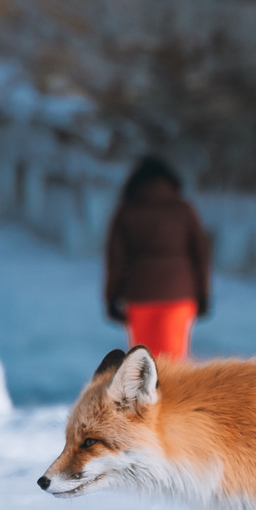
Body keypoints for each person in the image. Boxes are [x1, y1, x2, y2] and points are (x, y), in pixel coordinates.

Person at [103, 155, 211, 361]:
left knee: (143, 363)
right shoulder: (184, 210)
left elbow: (115, 260)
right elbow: (201, 255)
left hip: (140, 294)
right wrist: (203, 295)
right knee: (174, 362)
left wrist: (111, 298)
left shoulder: (127, 211)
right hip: (179, 295)